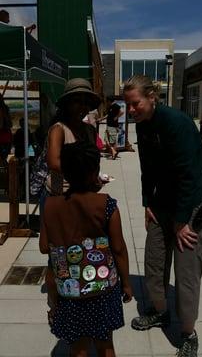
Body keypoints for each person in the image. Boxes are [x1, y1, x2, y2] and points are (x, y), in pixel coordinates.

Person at [123, 75, 202, 357]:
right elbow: (146, 168)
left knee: (186, 273)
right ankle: (159, 312)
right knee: (154, 261)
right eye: (128, 105)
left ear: (152, 96)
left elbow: (189, 176)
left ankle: (189, 333)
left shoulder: (177, 124)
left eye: (135, 103)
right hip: (162, 203)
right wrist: (147, 201)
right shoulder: (143, 126)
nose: (131, 110)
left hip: (191, 204)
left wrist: (181, 222)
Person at [39, 141, 132, 357]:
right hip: (103, 288)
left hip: (68, 290)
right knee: (105, 344)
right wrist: (126, 284)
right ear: (95, 172)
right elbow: (118, 249)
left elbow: (45, 247)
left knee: (78, 347)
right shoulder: (107, 204)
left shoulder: (51, 206)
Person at [46, 77, 101, 196]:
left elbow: (92, 158)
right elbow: (53, 163)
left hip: (84, 192)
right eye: (77, 101)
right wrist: (83, 176)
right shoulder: (59, 129)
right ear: (67, 104)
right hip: (60, 194)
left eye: (86, 103)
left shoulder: (90, 130)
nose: (83, 106)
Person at [0, 94, 12, 164]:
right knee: (4, 157)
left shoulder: (1, 109)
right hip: (7, 135)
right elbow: (10, 123)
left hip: (2, 135)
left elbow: (0, 125)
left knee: (2, 157)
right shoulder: (6, 108)